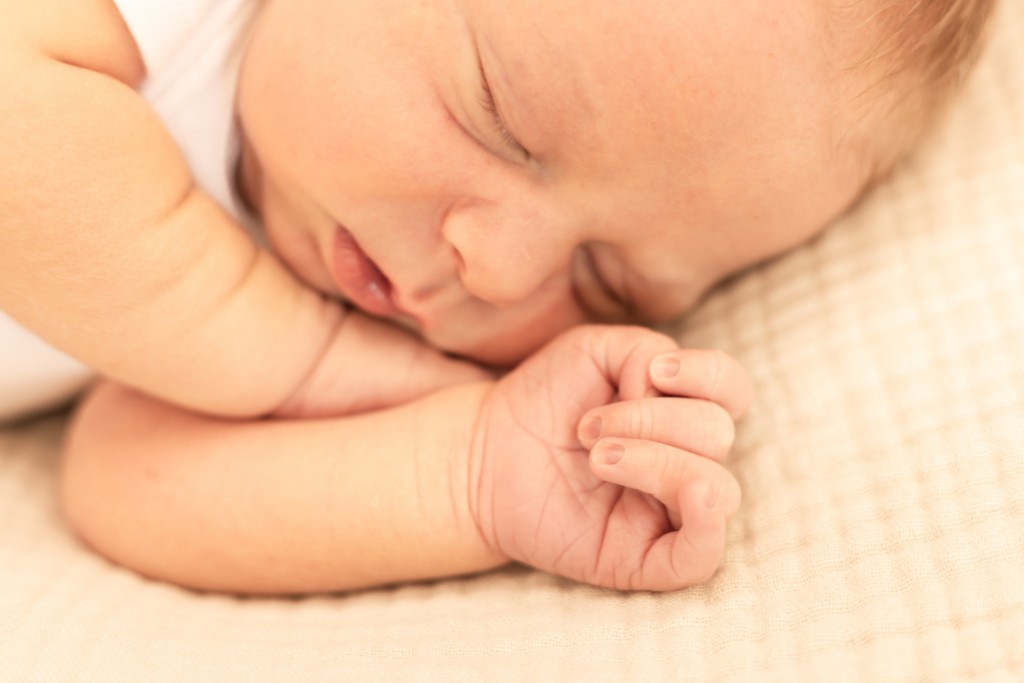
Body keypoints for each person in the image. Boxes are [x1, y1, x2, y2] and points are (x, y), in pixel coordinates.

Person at [3, 0, 995, 592]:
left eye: (603, 277)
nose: (502, 268)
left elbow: (126, 471)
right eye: (499, 119)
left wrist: (467, 471)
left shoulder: (361, 297)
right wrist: (299, 360)